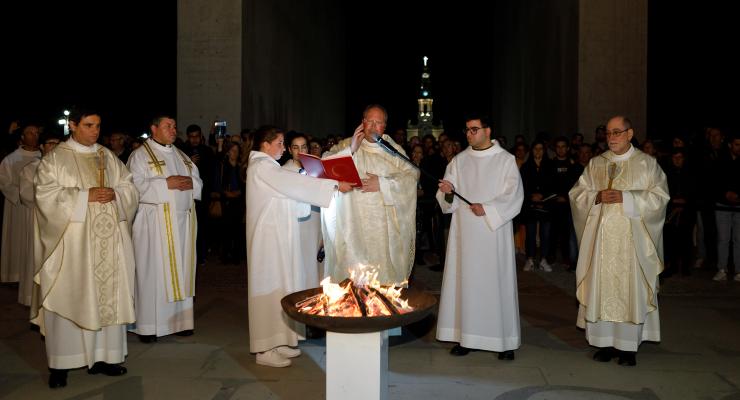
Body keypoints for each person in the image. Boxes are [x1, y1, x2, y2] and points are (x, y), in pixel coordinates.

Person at [32, 108, 139, 388]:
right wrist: (84, 197)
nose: (95, 131)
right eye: (89, 125)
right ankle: (61, 363)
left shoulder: (107, 156)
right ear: (72, 125)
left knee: (107, 296)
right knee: (70, 295)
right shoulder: (55, 159)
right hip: (73, 247)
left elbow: (129, 186)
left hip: (109, 244)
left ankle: (104, 357)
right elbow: (45, 196)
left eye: (98, 126)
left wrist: (116, 194)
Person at [246, 125, 352, 367]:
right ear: (265, 144)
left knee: (282, 286)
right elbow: (294, 184)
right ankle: (264, 349)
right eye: (281, 143)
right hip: (268, 240)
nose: (284, 148)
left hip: (279, 237)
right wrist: (334, 185)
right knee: (269, 287)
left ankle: (280, 340)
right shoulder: (261, 166)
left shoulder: (269, 167)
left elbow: (292, 192)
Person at [569, 115, 669, 366]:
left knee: (629, 291)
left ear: (629, 133)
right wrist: (597, 196)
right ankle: (604, 343)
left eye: (616, 132)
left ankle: (627, 348)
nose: (611, 138)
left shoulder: (647, 164)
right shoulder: (595, 164)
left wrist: (628, 197)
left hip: (631, 244)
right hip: (601, 243)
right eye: (608, 133)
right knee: (601, 289)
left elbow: (660, 198)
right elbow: (576, 194)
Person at [435, 115, 524, 360]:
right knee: (467, 284)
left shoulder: (505, 160)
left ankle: (503, 341)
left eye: (474, 129)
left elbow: (514, 195)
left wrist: (487, 208)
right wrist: (448, 193)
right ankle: (468, 337)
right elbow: (446, 197)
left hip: (493, 233)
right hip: (465, 233)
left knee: (496, 284)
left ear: (488, 130)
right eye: (467, 130)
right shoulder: (459, 161)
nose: (469, 134)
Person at [321, 105, 419, 284]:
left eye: (378, 123)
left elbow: (412, 176)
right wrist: (351, 150)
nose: (374, 127)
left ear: (385, 126)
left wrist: (383, 183)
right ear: (362, 122)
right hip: (352, 225)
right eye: (370, 121)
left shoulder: (393, 150)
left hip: (383, 229)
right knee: (352, 279)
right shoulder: (347, 144)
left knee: (381, 278)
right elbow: (325, 166)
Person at [127, 115, 202, 342]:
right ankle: (148, 326)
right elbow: (132, 188)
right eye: (167, 126)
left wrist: (192, 184)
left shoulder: (181, 155)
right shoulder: (140, 155)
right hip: (154, 224)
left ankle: (180, 321)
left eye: (174, 126)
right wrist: (165, 184)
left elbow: (197, 181)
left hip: (183, 224)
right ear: (153, 128)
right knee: (153, 274)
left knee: (182, 271)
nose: (173, 129)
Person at [17, 132, 60, 306]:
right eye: (50, 143)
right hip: (39, 218)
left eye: (58, 143)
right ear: (42, 146)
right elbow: (26, 194)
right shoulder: (31, 168)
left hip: (61, 220)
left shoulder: (65, 166)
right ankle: (32, 297)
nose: (55, 147)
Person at [0, 123, 40, 285]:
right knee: (17, 240)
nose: (34, 135)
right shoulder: (11, 159)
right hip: (18, 207)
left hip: (38, 207)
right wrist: (23, 196)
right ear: (22, 137)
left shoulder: (44, 157)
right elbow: (4, 182)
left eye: (36, 132)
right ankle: (15, 274)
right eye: (30, 133)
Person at [282, 132, 324, 287]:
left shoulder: (318, 169)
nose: (300, 151)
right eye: (295, 147)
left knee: (315, 263)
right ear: (289, 149)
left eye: (304, 147)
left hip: (315, 223)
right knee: (299, 264)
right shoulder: (284, 171)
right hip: (296, 225)